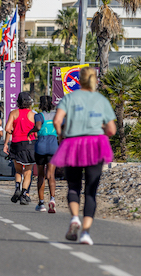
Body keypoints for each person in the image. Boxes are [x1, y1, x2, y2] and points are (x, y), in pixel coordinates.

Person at [52, 67, 116, 246]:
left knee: (73, 185)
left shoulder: (69, 98)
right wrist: (100, 129)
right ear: (95, 80)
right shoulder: (101, 100)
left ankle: (74, 218)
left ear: (79, 80)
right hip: (96, 144)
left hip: (72, 144)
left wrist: (60, 135)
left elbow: (57, 121)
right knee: (91, 190)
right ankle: (86, 232)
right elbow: (111, 129)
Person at [6, 91, 36, 205]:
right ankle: (24, 194)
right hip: (29, 144)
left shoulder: (13, 113)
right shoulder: (33, 115)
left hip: (16, 143)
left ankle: (17, 188)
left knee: (18, 170)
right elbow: (37, 131)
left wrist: (14, 131)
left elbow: (7, 128)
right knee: (28, 172)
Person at [34, 95, 59, 213]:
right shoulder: (56, 116)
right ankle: (52, 199)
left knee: (41, 175)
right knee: (51, 175)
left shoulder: (39, 115)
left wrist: (32, 130)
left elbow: (38, 126)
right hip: (53, 147)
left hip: (40, 147)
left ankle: (41, 203)